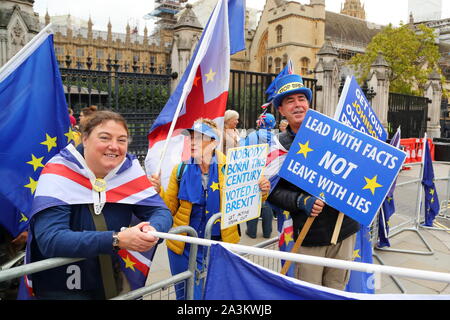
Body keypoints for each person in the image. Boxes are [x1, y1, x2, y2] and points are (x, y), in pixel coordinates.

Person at [29, 110, 173, 300]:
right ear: (85, 139)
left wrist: (151, 231)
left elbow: (161, 211)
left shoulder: (129, 172)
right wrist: (116, 239)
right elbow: (51, 239)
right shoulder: (58, 174)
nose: (114, 146)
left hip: (112, 282)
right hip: (63, 288)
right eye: (105, 138)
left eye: (122, 140)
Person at [149, 118, 271, 299]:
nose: (192, 142)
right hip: (184, 245)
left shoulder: (232, 168)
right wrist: (158, 191)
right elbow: (169, 209)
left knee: (218, 292)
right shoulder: (180, 170)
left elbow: (248, 200)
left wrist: (262, 189)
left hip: (218, 244)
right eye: (190, 138)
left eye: (198, 138)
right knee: (187, 295)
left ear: (213, 142)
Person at [267, 73, 360, 290]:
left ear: (309, 103)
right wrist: (301, 201)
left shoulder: (336, 134)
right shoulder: (278, 146)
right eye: (290, 101)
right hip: (308, 235)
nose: (297, 105)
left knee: (337, 290)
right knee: (309, 293)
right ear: (281, 110)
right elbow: (272, 192)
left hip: (343, 229)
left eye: (301, 99)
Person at [241, 113, 276, 239]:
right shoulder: (275, 137)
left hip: (253, 172)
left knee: (253, 201)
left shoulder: (251, 136)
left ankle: (252, 231)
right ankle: (267, 232)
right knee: (267, 202)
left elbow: (243, 153)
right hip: (270, 173)